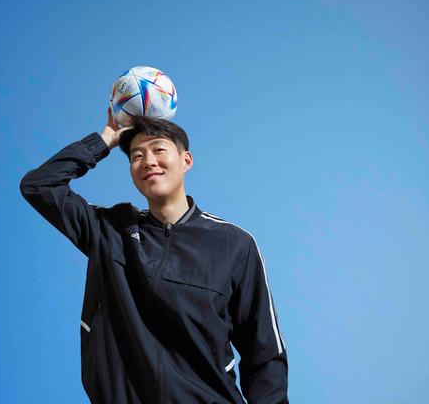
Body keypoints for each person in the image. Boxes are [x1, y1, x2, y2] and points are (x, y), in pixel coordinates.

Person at [19, 107, 289, 403]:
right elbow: (39, 186)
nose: (148, 161)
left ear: (186, 161)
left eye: (159, 149)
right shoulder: (110, 231)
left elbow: (264, 353)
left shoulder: (235, 244)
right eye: (137, 156)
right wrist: (105, 140)